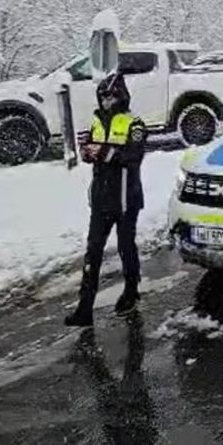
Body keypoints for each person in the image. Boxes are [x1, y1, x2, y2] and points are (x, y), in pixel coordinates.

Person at [65, 73, 147, 327]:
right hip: (101, 198)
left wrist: (105, 152)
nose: (106, 101)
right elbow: (94, 151)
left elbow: (133, 157)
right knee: (93, 251)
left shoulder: (135, 123)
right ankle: (84, 308)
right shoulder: (96, 120)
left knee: (126, 247)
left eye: (111, 96)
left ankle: (131, 291)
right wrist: (88, 150)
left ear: (121, 96)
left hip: (125, 198)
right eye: (103, 96)